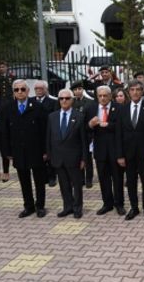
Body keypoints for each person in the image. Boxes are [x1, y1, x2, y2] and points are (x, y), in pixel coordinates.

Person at [1, 80, 48, 218]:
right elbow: (4, 132)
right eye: (16, 90)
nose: (20, 92)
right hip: (18, 152)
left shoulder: (38, 107)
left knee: (39, 180)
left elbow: (44, 131)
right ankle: (29, 206)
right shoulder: (8, 108)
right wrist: (7, 152)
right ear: (13, 92)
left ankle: (40, 206)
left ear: (28, 91)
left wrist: (46, 151)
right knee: (24, 181)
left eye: (22, 89)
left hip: (36, 151)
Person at [118, 80, 144, 221]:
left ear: (143, 92)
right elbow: (119, 134)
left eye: (138, 89)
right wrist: (120, 155)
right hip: (128, 154)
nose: (135, 92)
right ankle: (134, 208)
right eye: (132, 89)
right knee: (131, 181)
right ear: (129, 92)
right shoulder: (122, 109)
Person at [46, 89, 88, 219]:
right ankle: (67, 207)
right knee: (64, 185)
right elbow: (48, 138)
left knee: (76, 184)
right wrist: (50, 155)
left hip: (74, 158)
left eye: (67, 98)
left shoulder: (79, 116)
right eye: (61, 98)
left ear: (72, 100)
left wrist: (84, 159)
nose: (64, 101)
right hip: (58, 158)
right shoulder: (52, 117)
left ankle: (77, 208)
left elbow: (84, 140)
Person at [86, 86, 126, 216]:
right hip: (100, 151)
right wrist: (90, 125)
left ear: (110, 96)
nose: (102, 98)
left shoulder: (119, 108)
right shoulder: (91, 108)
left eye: (105, 96)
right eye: (100, 96)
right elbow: (84, 129)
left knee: (117, 179)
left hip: (115, 151)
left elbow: (122, 129)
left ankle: (119, 204)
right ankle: (107, 204)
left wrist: (108, 125)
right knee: (103, 179)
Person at [31, 80, 59, 187]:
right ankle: (43, 177)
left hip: (48, 132)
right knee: (39, 156)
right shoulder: (31, 101)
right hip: (35, 133)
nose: (38, 91)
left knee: (49, 155)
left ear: (46, 89)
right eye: (36, 89)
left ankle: (52, 176)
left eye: (41, 88)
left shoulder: (52, 102)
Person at [71, 80, 96, 188]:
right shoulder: (71, 102)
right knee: (77, 156)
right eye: (75, 90)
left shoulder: (89, 102)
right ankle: (80, 178)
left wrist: (91, 135)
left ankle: (89, 178)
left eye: (80, 89)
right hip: (75, 134)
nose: (78, 91)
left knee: (88, 157)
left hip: (86, 133)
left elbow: (90, 119)